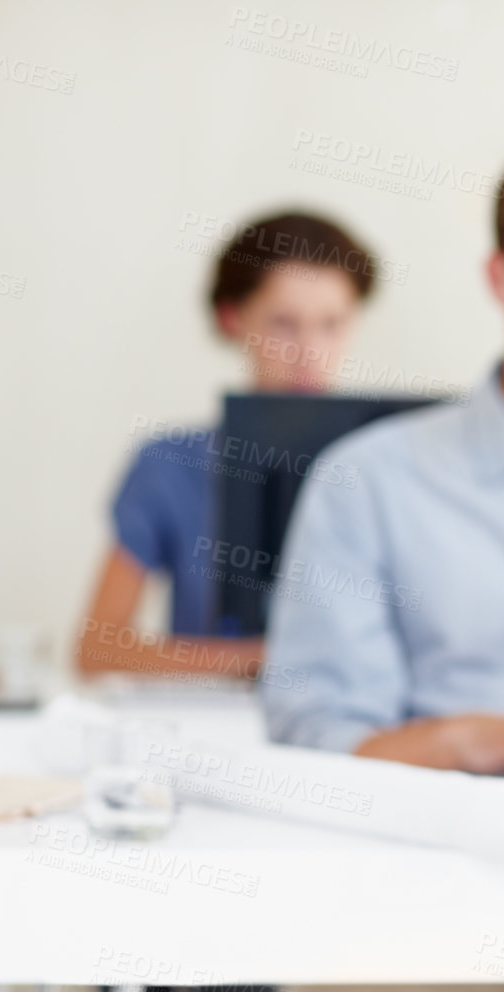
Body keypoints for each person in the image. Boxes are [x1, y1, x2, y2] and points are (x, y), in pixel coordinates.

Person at [262, 137, 504, 779]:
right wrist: (468, 742)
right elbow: (315, 737)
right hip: (444, 846)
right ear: (503, 281)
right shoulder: (368, 481)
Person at [77, 211, 378, 680]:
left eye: (332, 324)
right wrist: (266, 660)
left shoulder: (388, 464)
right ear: (232, 318)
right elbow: (97, 652)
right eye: (283, 323)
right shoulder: (169, 466)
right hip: (214, 733)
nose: (309, 351)